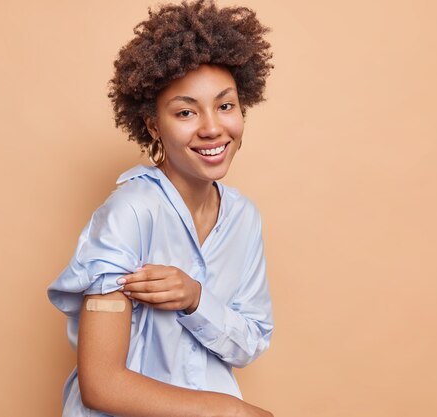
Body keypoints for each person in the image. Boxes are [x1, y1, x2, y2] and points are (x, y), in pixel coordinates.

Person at [48, 1, 274, 415]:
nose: (211, 127)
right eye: (186, 112)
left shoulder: (244, 218)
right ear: (154, 125)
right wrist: (230, 412)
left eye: (225, 105)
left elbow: (251, 340)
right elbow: (101, 384)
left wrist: (195, 299)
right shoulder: (130, 214)